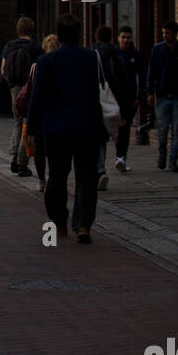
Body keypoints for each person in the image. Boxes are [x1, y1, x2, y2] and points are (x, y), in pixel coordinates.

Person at [26, 14, 107, 244]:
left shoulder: (46, 62)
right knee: (86, 178)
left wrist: (32, 129)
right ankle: (83, 224)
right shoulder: (92, 58)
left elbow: (37, 98)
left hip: (56, 129)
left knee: (57, 178)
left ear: (58, 35)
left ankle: (59, 222)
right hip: (86, 128)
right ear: (80, 34)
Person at [1, 16, 43, 177]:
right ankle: (22, 162)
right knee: (28, 123)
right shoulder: (35, 47)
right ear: (32, 30)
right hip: (29, 88)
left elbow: (3, 69)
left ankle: (13, 157)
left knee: (17, 123)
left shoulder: (9, 46)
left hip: (14, 88)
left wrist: (12, 84)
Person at [93, 25, 128, 191]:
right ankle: (101, 169)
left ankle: (100, 170)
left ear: (97, 37)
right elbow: (122, 79)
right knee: (104, 136)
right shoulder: (116, 54)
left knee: (97, 136)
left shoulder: (94, 54)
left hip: (96, 99)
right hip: (112, 99)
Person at [146, 20, 178, 173]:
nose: (164, 36)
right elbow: (152, 71)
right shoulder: (157, 50)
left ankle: (173, 161)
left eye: (167, 33)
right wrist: (150, 91)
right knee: (162, 130)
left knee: (177, 130)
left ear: (175, 34)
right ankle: (162, 152)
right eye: (163, 33)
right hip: (162, 96)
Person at [27, 33, 60, 191]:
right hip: (57, 114)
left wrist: (31, 123)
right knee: (54, 150)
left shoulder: (38, 65)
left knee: (40, 148)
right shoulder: (63, 65)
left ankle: (41, 180)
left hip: (41, 113)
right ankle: (53, 177)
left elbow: (34, 94)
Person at [114, 25, 143, 173]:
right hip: (114, 97)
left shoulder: (135, 55)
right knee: (116, 129)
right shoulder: (114, 53)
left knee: (124, 128)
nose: (125, 40)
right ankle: (119, 157)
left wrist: (139, 96)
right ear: (118, 38)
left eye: (128, 38)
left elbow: (141, 76)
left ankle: (121, 158)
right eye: (123, 37)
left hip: (129, 98)